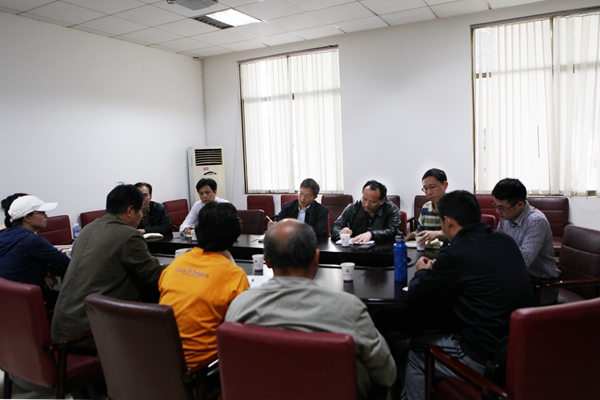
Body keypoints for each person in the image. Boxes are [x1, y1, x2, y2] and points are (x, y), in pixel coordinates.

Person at [226, 219, 396, 399]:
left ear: (266, 260)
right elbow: (387, 374)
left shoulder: (241, 306)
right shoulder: (349, 309)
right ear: (316, 258)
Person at [402, 190, 535, 400]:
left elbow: (416, 297)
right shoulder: (505, 241)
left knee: (417, 348)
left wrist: (422, 272)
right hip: (520, 347)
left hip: (485, 355)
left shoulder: (456, 252)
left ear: (448, 221)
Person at [51, 184, 164, 350]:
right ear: (130, 210)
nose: (141, 216)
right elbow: (154, 276)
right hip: (90, 333)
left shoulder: (88, 229)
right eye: (140, 211)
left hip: (62, 327)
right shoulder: (128, 235)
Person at [159, 202, 249, 368]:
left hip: (162, 360)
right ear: (234, 233)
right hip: (204, 367)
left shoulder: (177, 263)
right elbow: (241, 328)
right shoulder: (234, 275)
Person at [492, 178, 560, 305]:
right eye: (495, 205)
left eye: (501, 208)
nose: (497, 211)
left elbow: (523, 261)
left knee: (492, 300)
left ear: (520, 205)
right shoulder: (506, 217)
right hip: (517, 279)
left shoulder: (536, 221)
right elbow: (497, 246)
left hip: (542, 285)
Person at [0, 194, 69, 308]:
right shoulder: (31, 239)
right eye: (42, 213)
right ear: (27, 218)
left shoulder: (4, 235)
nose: (46, 216)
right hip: (28, 303)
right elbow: (66, 266)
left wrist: (46, 272)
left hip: (8, 303)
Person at [331, 180, 399, 243]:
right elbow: (336, 226)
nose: (366, 204)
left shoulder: (391, 210)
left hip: (383, 248)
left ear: (382, 201)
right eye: (364, 199)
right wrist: (341, 233)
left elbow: (393, 230)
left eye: (372, 202)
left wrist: (371, 234)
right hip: (356, 248)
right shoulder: (353, 208)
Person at [406, 168, 448, 246]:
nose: (429, 193)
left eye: (432, 187)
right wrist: (414, 235)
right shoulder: (425, 207)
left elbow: (462, 234)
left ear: (445, 185)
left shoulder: (456, 207)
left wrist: (440, 234)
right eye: (425, 188)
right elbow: (420, 230)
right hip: (429, 249)